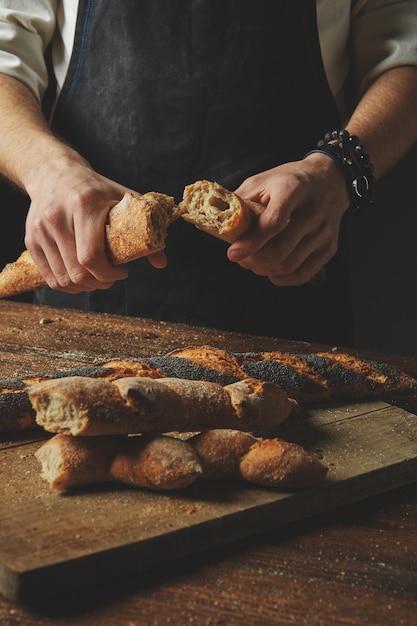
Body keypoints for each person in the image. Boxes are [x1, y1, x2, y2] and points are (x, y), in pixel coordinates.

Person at [0, 1, 417, 348]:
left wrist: (338, 170)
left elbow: (404, 54)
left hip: (290, 295)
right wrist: (49, 172)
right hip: (89, 298)